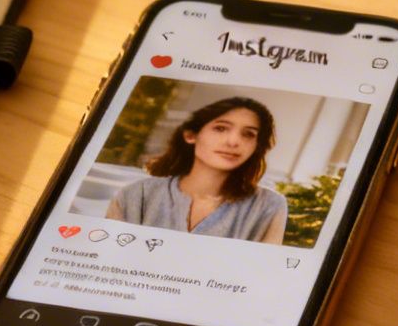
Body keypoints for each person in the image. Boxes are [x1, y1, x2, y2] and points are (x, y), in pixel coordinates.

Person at [107, 97, 287, 244]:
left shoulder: (269, 206)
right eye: (221, 128)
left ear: (256, 146)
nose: (233, 141)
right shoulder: (136, 194)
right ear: (191, 135)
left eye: (248, 134)